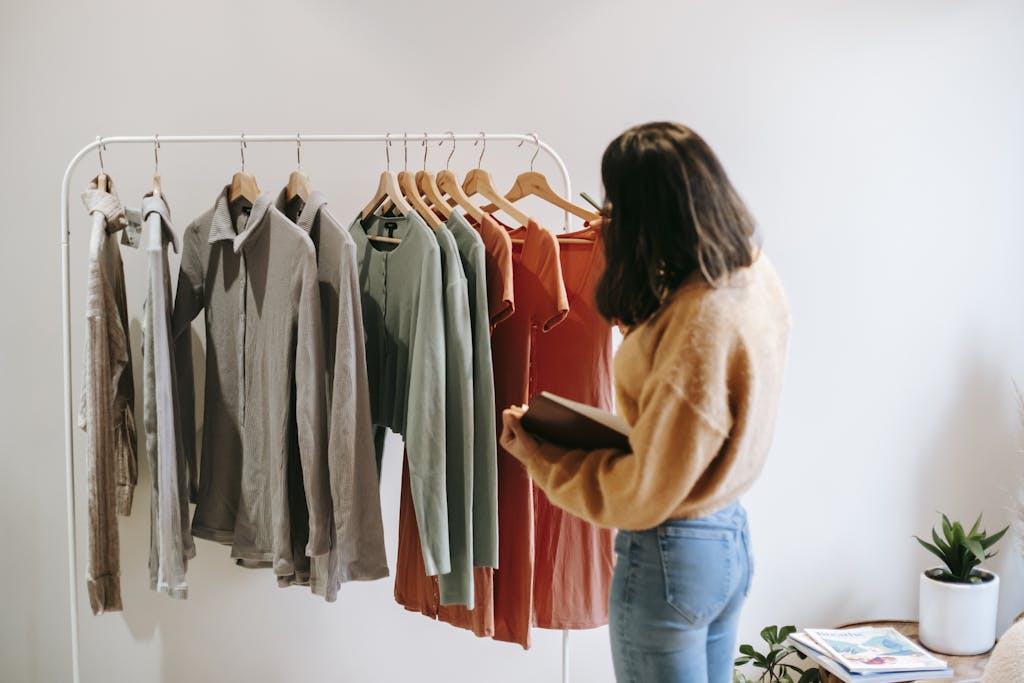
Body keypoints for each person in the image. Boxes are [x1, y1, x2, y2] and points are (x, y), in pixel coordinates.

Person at [500, 121, 791, 683]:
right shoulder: (750, 277)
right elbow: (694, 431)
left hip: (670, 553)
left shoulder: (695, 323)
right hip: (727, 539)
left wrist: (540, 455)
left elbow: (643, 494)